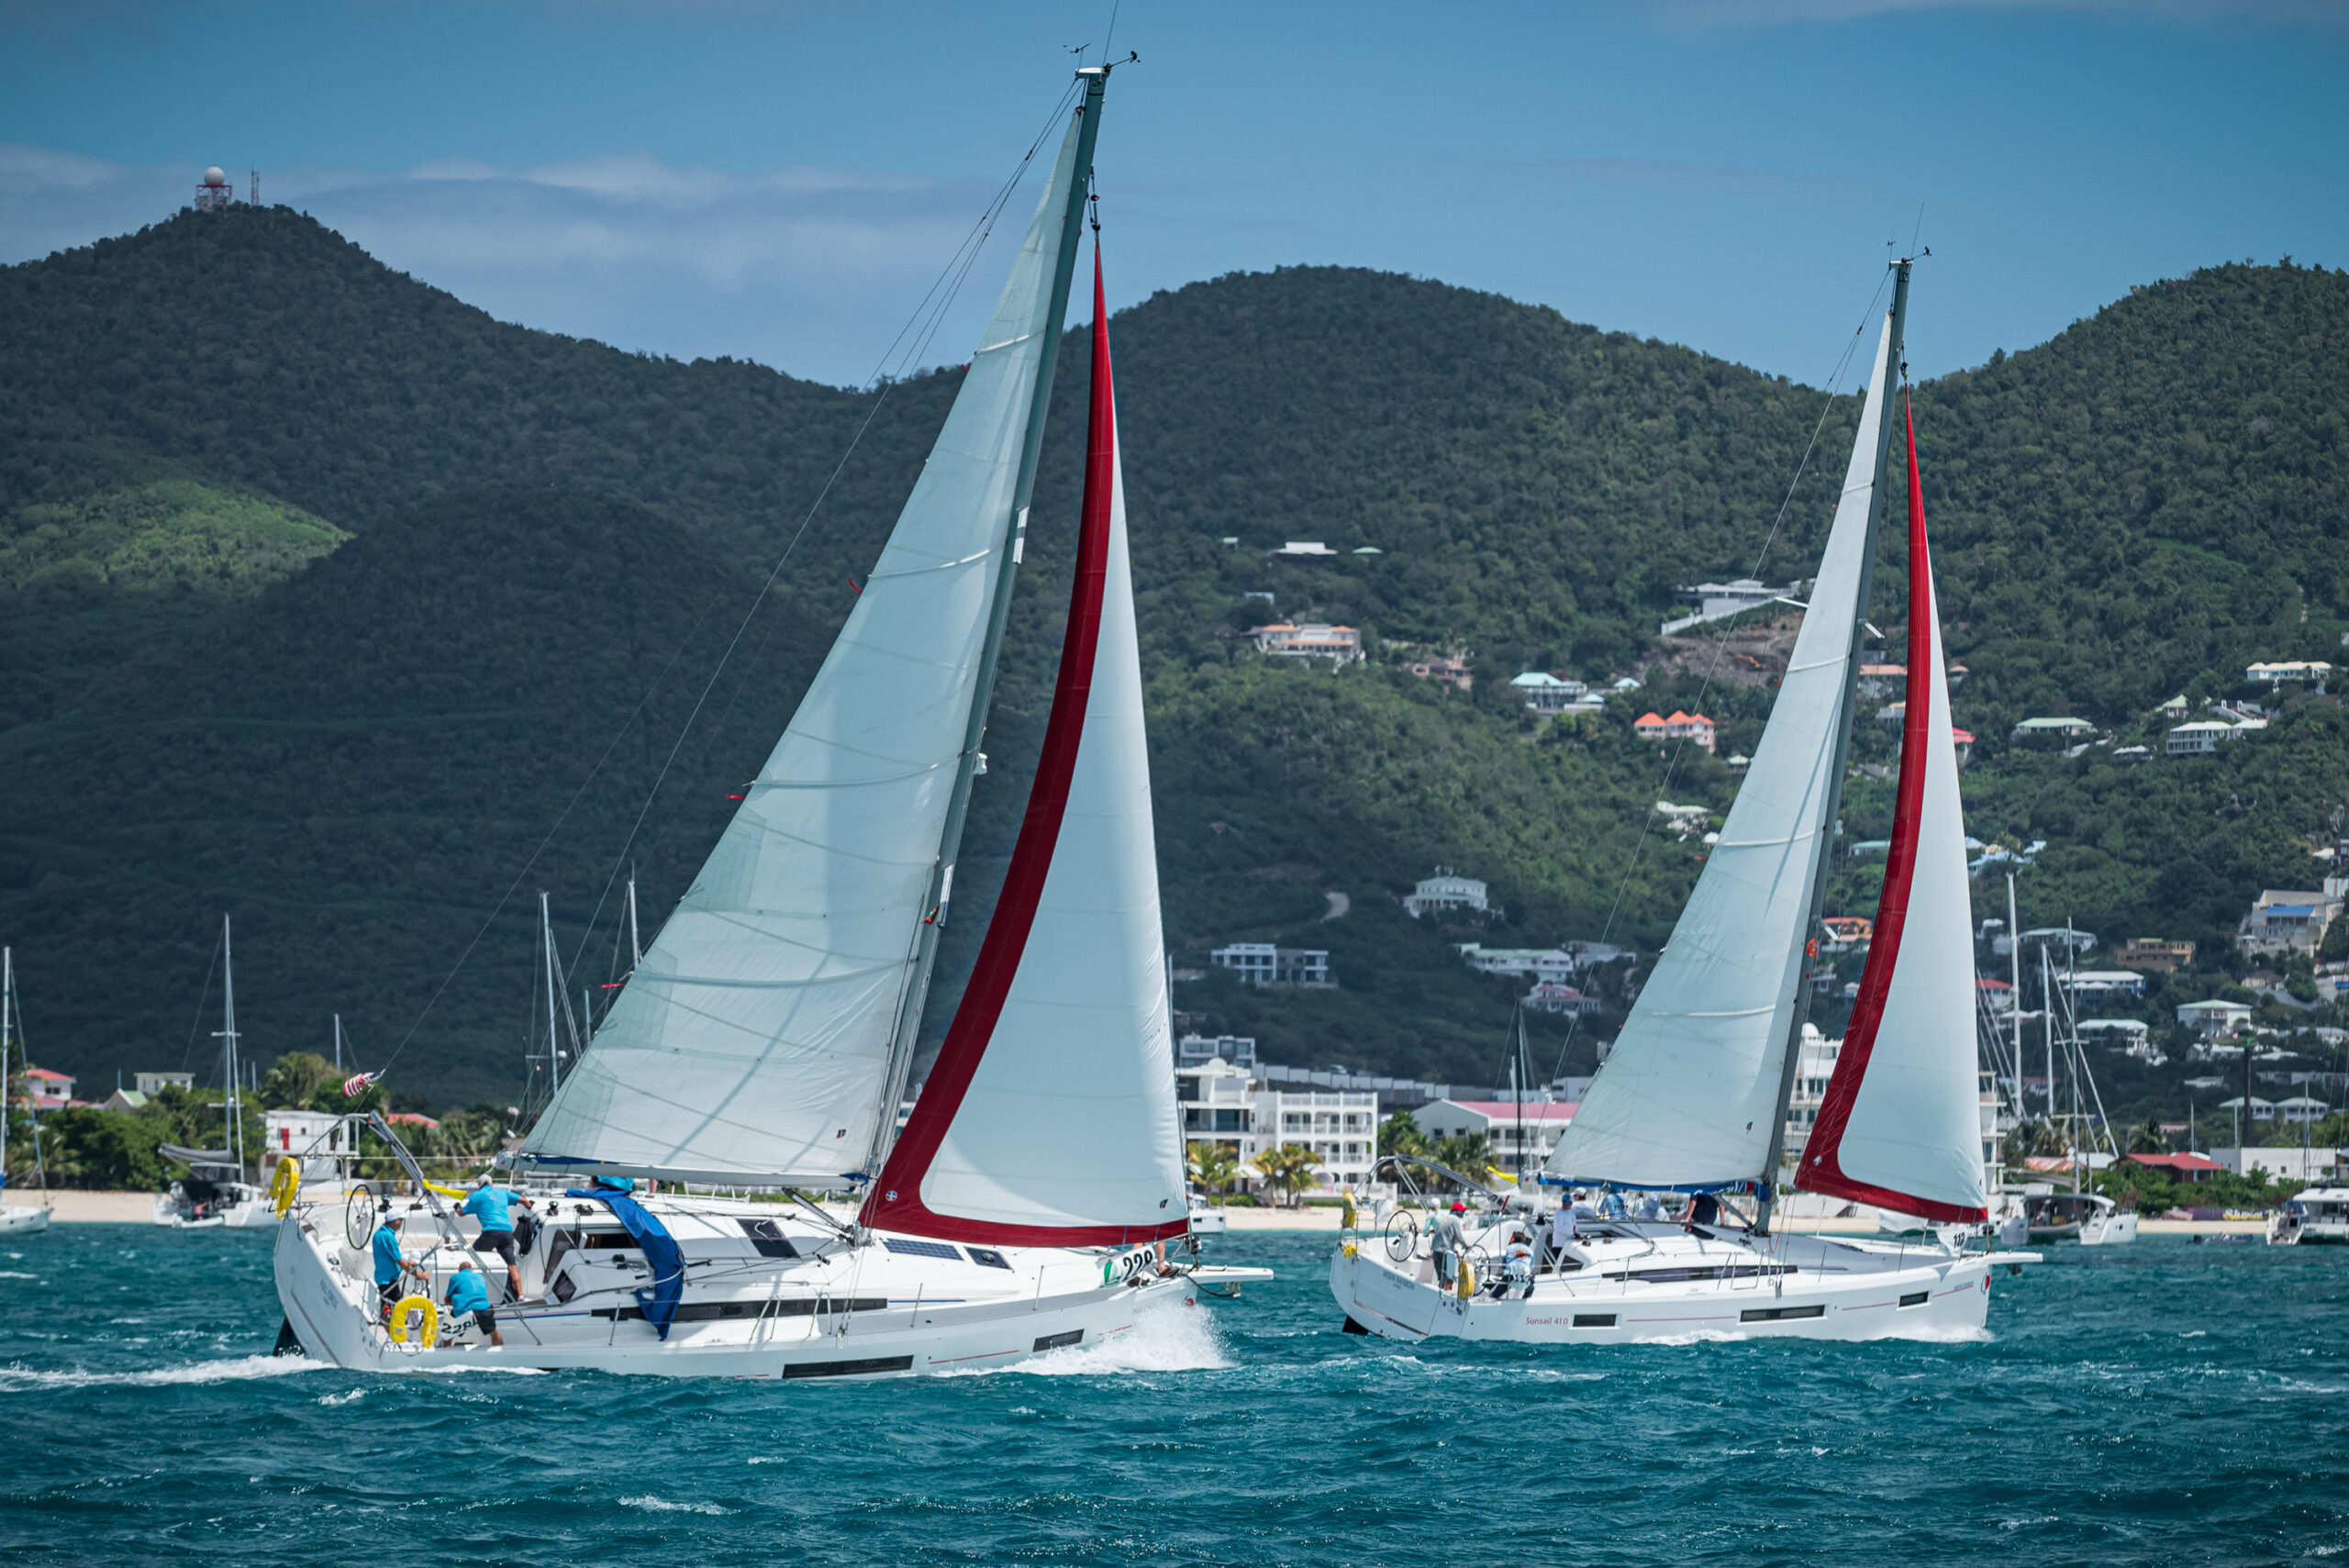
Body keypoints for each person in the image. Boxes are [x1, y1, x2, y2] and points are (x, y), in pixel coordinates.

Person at [457, 1176, 535, 1302]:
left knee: (472, 1260)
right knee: (512, 1266)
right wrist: (529, 1205)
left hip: (491, 1233)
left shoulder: (477, 1196)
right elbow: (524, 1201)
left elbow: (461, 1213)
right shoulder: (502, 1192)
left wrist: (457, 1207)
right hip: (507, 1233)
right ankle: (520, 1296)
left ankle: (469, 1293)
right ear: (491, 1183)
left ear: (480, 1185)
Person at [371, 1211, 428, 1320]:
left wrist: (408, 1263)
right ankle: (391, 1331)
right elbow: (399, 1261)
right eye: (401, 1220)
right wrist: (418, 1274)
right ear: (397, 1221)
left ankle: (392, 1328)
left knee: (396, 1307)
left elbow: (390, 1256)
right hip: (388, 1281)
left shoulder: (380, 1233)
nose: (401, 1223)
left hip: (386, 1278)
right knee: (390, 1311)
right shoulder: (387, 1236)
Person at [444, 1259, 502, 1348]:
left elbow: (447, 1299)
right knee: (494, 1333)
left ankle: (445, 1352)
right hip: (483, 1309)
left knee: (447, 1336)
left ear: (459, 1270)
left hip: (463, 1311)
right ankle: (500, 1351)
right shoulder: (480, 1277)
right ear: (472, 1270)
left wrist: (452, 1303)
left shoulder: (455, 1277)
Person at [1432, 1201, 1467, 1288]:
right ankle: (1443, 1295)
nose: (1463, 1213)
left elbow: (1447, 1237)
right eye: (1462, 1211)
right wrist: (1466, 1246)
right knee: (1445, 1277)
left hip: (1435, 1250)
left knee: (1442, 1278)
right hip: (1442, 1251)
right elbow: (1458, 1236)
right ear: (1458, 1212)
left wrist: (1455, 1250)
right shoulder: (1455, 1220)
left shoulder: (1446, 1218)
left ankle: (1441, 1292)